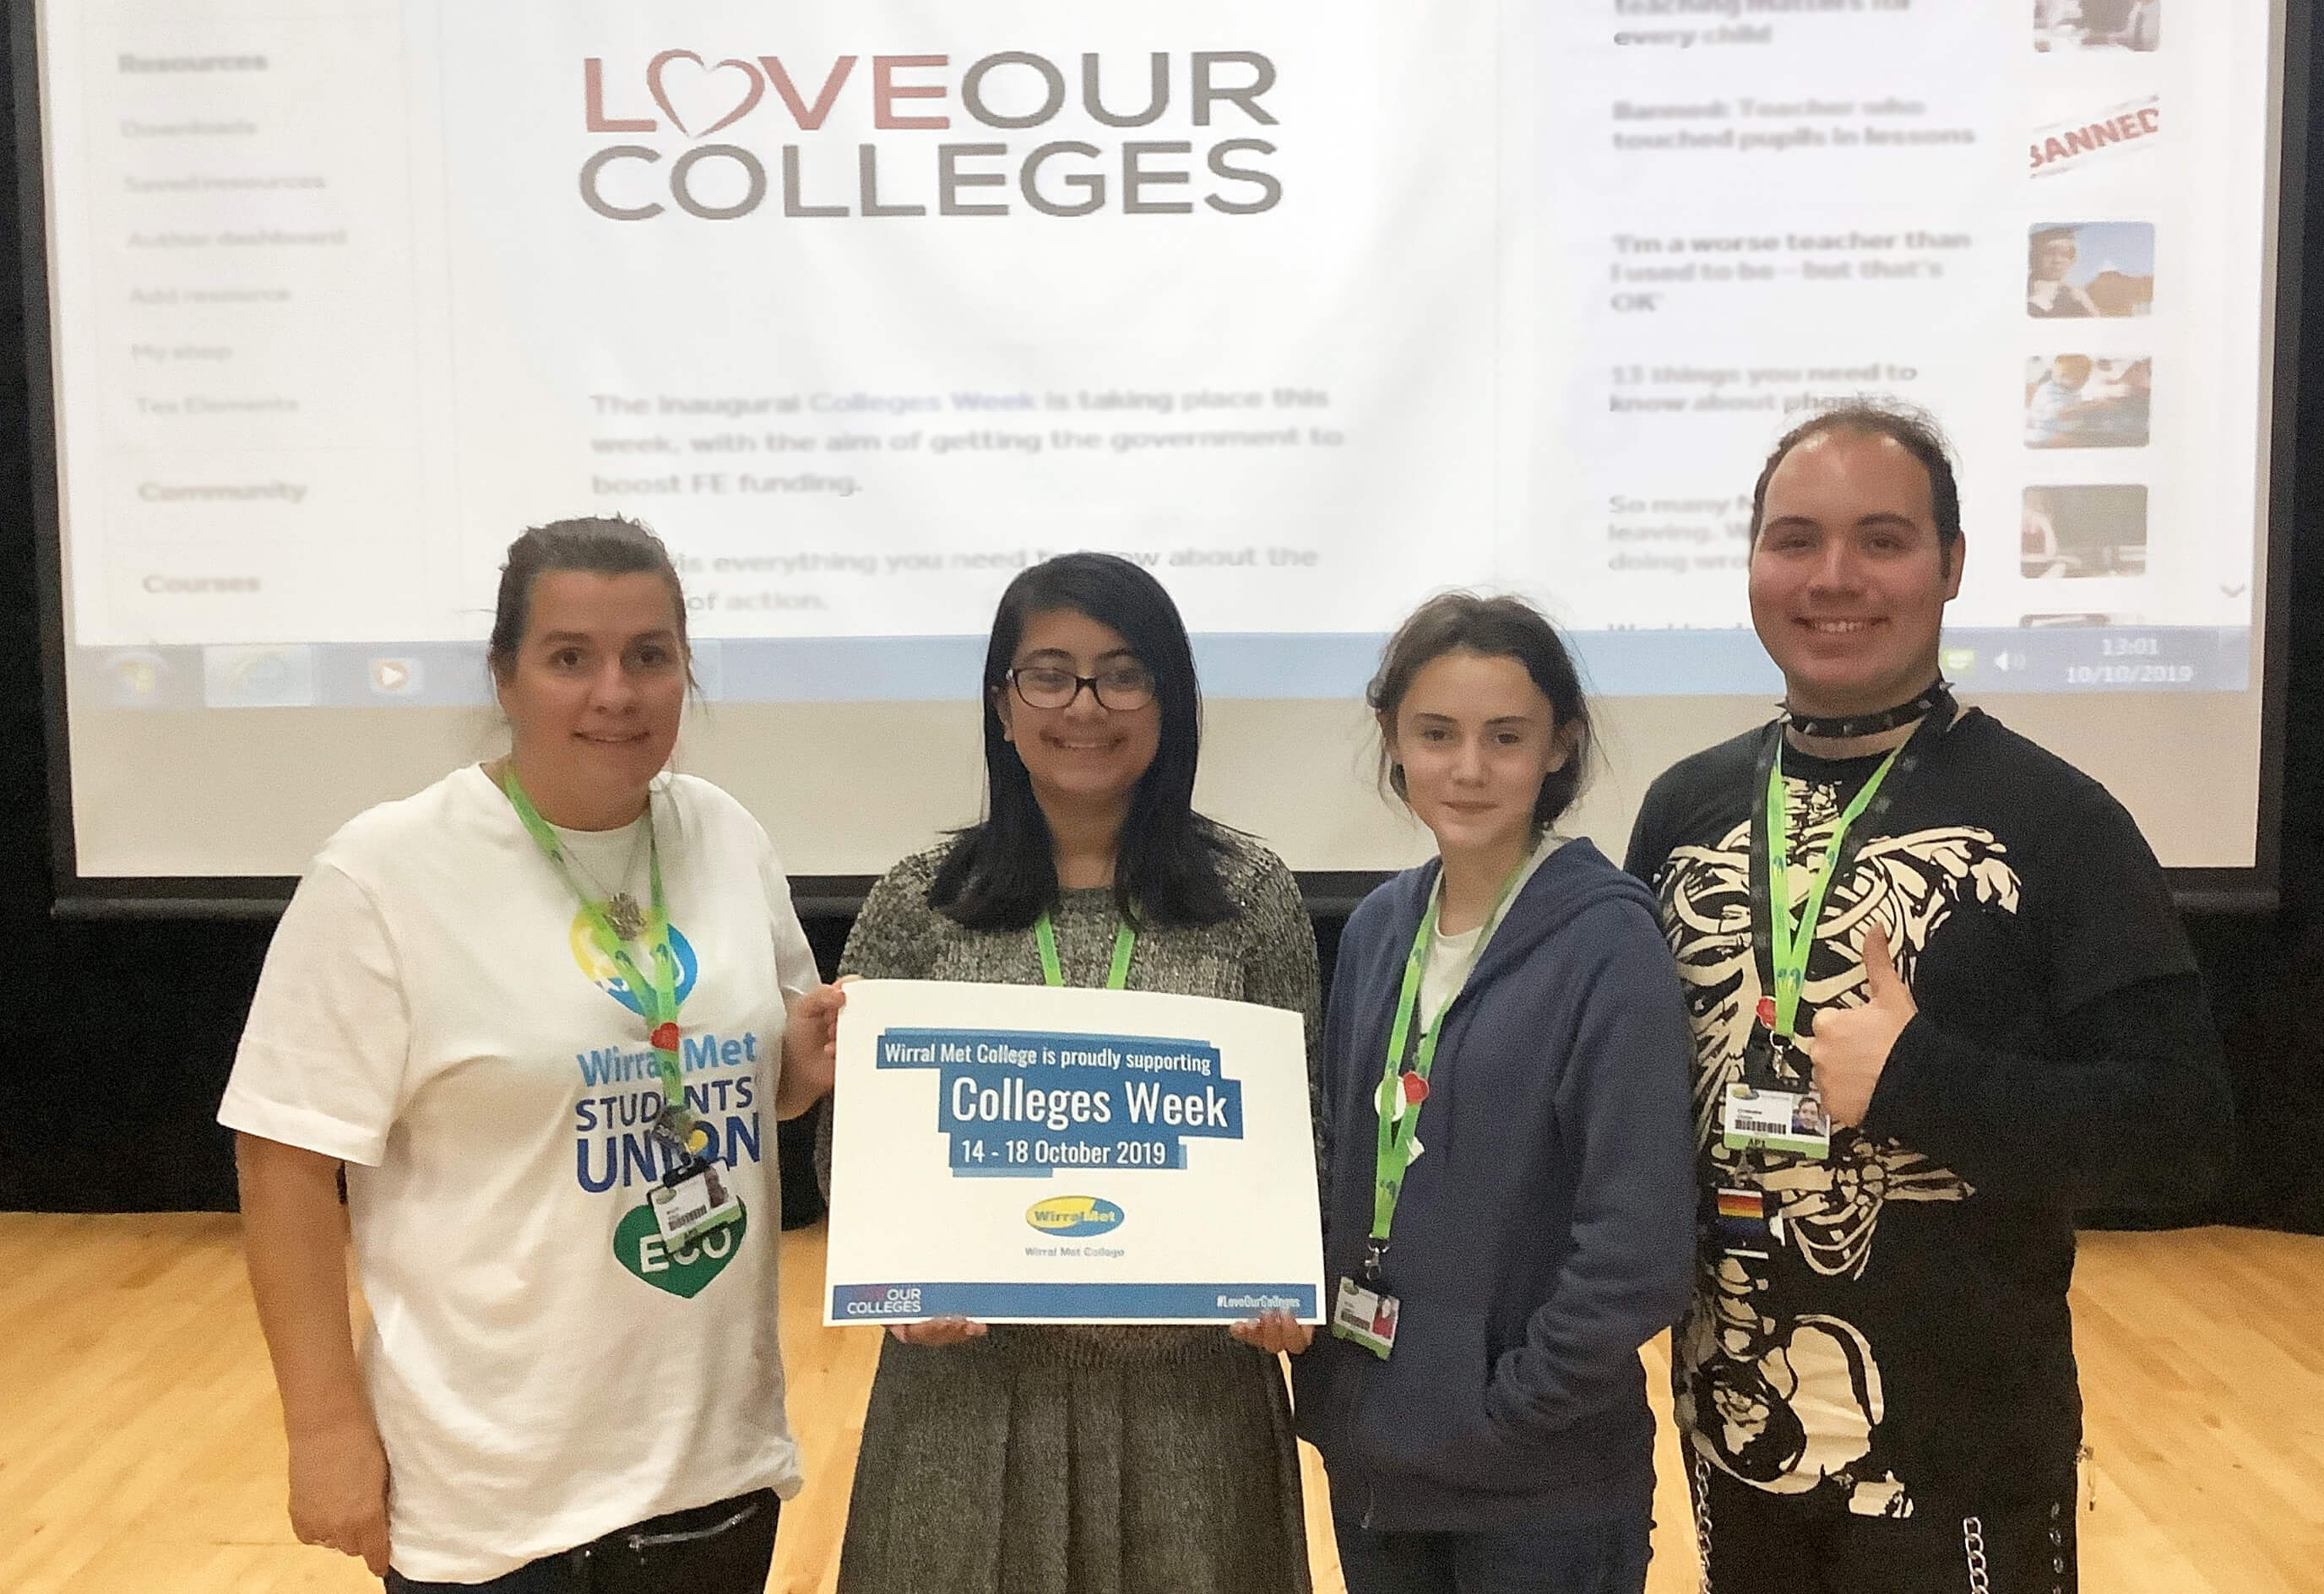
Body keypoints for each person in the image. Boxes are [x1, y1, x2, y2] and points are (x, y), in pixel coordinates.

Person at [1622, 405, 2233, 1592]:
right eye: (1795, 539)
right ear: (1752, 563)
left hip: (1960, 1464)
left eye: (1883, 540)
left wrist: (1921, 1081)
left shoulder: (2060, 822)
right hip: (1731, 1443)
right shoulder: (1682, 810)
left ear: (1952, 566)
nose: (1833, 578)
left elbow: (2185, 1130)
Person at [221, 516, 842, 1591]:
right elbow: (283, 1162)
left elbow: (767, 1086)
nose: (617, 692)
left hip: (713, 1471)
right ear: (503, 674)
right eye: (571, 658)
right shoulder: (384, 873)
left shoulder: (723, 835)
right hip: (496, 1501)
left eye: (650, 656)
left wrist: (806, 1057)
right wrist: (325, 1432)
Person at [817, 551, 1322, 1594]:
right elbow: (850, 1146)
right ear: (1002, 706)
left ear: (1168, 701)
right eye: (1048, 673)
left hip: (1192, 1402)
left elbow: (1302, 1122)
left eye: (1121, 672)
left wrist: (1286, 1274)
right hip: (965, 1398)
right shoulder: (922, 899)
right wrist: (896, 1276)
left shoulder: (1250, 894)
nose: (1083, 705)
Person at [1294, 593, 1696, 1594]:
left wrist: (1505, 1409)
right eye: (1436, 734)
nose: (1467, 768)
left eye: (1504, 737)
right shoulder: (1385, 925)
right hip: (1378, 1464)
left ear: (1558, 746)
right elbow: (1349, 1172)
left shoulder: (1609, 941)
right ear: (1393, 739)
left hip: (1538, 1489)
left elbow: (1637, 1244)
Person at [2026, 228, 2100, 318]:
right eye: (2049, 253)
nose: (2058, 260)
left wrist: (2089, 309)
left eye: (2065, 254)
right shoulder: (2025, 292)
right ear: (2034, 257)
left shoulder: (2076, 295)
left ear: (2073, 260)